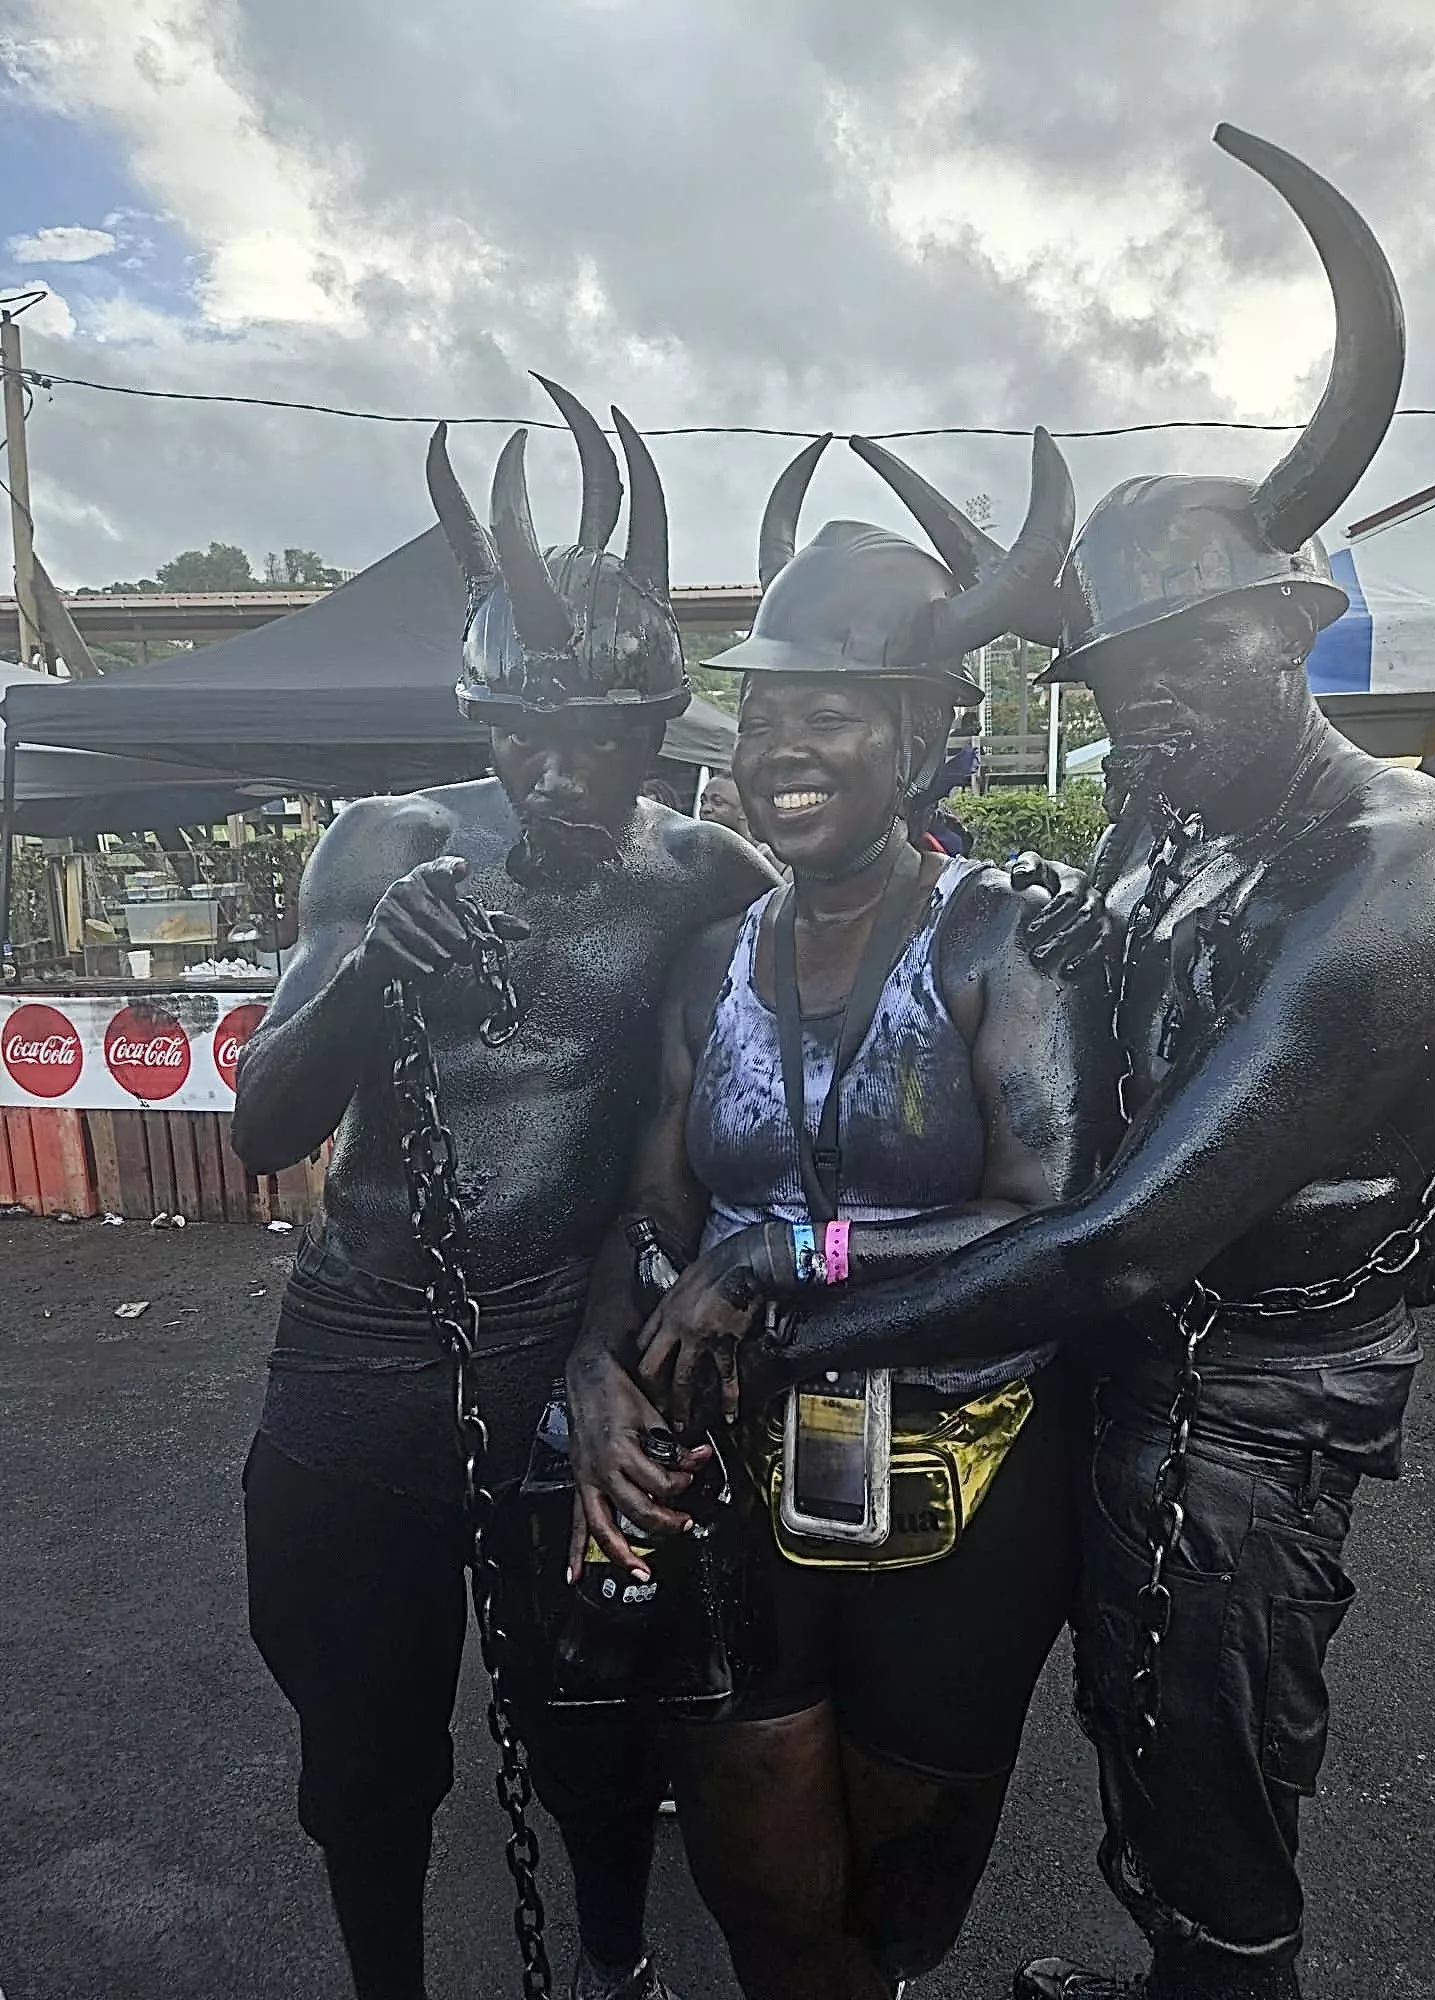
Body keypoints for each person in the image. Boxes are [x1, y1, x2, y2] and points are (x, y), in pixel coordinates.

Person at [742, 129, 1435, 2000]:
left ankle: (1219, 1970)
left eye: (1185, 665)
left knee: (1226, 1757)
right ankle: (1173, 1966)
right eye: (1116, 683)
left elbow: (1128, 1237)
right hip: (1131, 1361)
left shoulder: (1402, 870)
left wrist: (796, 1323)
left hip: (1255, 1386)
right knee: (1135, 1725)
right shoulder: (1164, 821)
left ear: (1287, 632)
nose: (1141, 713)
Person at [232, 377, 781, 2000]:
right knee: (367, 1752)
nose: (561, 776)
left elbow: (821, 1017)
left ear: (648, 737)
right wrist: (357, 985)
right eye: (529, 737)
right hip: (363, 1350)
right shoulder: (384, 847)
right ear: (486, 726)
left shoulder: (698, 872)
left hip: (561, 1356)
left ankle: (613, 1965)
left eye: (601, 744)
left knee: (600, 1728)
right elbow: (266, 1125)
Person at [566, 429, 1118, 2000]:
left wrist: (788, 1250)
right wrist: (604, 1365)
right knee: (770, 1898)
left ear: (926, 741)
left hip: (971, 1480)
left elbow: (1050, 1217)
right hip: (734, 1474)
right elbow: (650, 1213)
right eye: (758, 722)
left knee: (907, 1897)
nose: (778, 752)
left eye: (827, 718)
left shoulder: (1002, 942)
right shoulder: (710, 961)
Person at [697, 772, 752, 839]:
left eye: (717, 802)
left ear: (744, 811)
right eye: (703, 801)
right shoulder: (691, 845)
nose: (704, 808)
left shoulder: (758, 848)